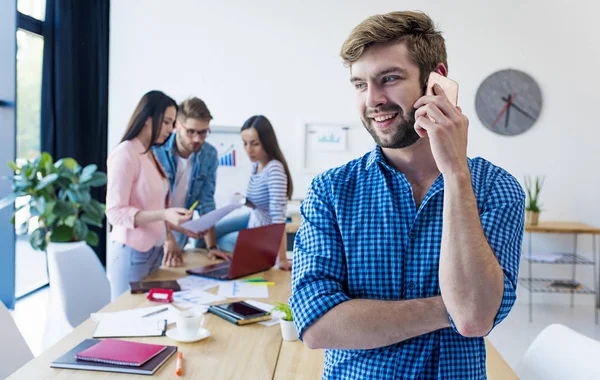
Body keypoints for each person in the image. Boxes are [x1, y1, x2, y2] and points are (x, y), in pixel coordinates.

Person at [290, 11, 525, 379]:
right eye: (359, 84)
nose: (372, 100)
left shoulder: (496, 189)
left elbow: (476, 318)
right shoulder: (331, 191)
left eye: (389, 79)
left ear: (437, 81)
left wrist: (456, 174)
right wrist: (447, 308)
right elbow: (317, 325)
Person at [106, 90, 192, 300]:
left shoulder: (149, 153)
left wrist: (182, 226)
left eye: (172, 124)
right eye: (167, 122)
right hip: (132, 253)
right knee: (126, 319)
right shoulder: (125, 153)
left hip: (153, 253)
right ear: (147, 119)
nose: (171, 130)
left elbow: (152, 206)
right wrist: (164, 215)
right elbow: (115, 213)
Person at [153, 97, 231, 266]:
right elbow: (150, 204)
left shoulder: (208, 155)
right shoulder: (156, 150)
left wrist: (212, 247)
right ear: (177, 126)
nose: (197, 139)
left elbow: (206, 202)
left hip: (179, 237)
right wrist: (167, 237)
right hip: (152, 232)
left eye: (203, 132)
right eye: (191, 131)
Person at [215, 115, 294, 271]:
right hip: (254, 218)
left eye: (254, 144)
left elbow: (279, 218)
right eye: (245, 144)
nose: (248, 150)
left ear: (267, 143)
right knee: (211, 231)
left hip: (264, 233)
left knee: (222, 241)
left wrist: (282, 259)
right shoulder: (257, 165)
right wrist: (243, 200)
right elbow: (260, 203)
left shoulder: (274, 170)